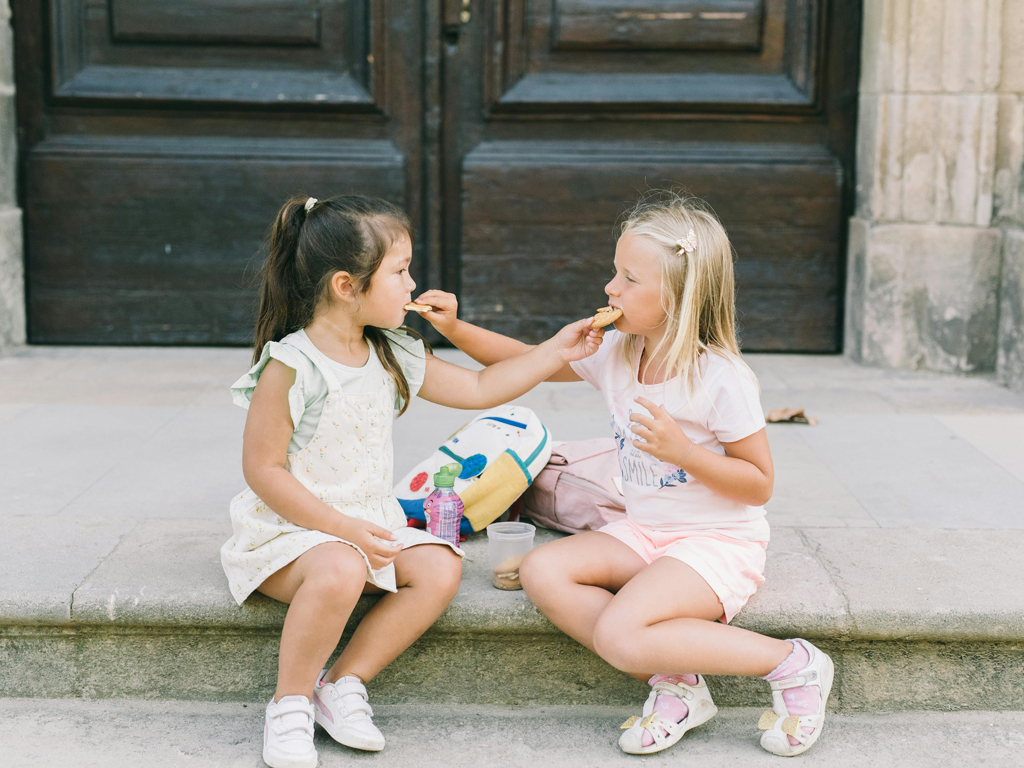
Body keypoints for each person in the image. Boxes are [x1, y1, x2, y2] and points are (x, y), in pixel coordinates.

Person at [415, 191, 833, 758]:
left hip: (714, 542)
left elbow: (758, 483)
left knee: (618, 634)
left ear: (679, 296)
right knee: (543, 571)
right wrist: (456, 329)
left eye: (629, 278)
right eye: (616, 272)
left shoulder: (720, 378)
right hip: (645, 531)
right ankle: (678, 686)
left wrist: (684, 452)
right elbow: (528, 359)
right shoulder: (617, 350)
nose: (611, 288)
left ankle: (794, 664)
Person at [220, 194, 603, 768]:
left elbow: (478, 390)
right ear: (347, 286)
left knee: (439, 565)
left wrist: (554, 351)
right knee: (340, 565)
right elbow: (263, 469)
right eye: (399, 272)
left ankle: (343, 684)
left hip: (367, 524)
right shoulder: (293, 364)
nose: (412, 283)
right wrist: (338, 527)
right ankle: (289, 702)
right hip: (293, 532)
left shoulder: (390, 349)